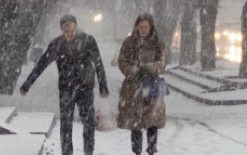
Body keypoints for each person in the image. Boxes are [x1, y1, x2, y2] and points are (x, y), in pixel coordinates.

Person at [20, 14, 109, 155]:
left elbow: (98, 64)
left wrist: (103, 86)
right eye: (66, 31)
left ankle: (88, 151)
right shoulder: (57, 45)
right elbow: (41, 65)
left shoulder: (87, 41)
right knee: (66, 125)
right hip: (66, 90)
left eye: (72, 30)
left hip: (85, 88)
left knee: (89, 124)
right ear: (62, 30)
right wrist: (27, 85)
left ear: (76, 27)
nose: (69, 34)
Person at [117, 13, 166, 155]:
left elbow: (162, 63)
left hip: (153, 82)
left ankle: (152, 148)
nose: (143, 29)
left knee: (152, 120)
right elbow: (122, 61)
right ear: (137, 27)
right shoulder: (129, 42)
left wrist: (150, 67)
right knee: (135, 121)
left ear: (151, 27)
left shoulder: (157, 43)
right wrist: (132, 70)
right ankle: (136, 150)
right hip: (133, 85)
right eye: (140, 26)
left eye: (145, 26)